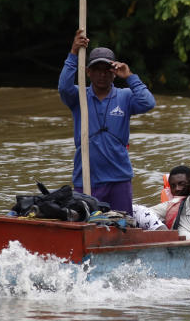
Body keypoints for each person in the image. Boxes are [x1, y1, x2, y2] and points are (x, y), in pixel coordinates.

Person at [59, 30, 156, 213]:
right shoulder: (79, 96)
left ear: (114, 72)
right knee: (87, 224)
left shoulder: (125, 96)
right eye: (97, 70)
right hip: (87, 177)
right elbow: (63, 88)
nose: (102, 75)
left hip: (119, 177)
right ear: (88, 72)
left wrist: (129, 77)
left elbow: (148, 102)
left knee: (121, 223)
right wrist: (73, 53)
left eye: (107, 70)